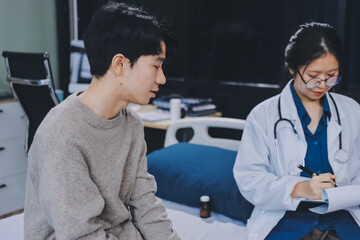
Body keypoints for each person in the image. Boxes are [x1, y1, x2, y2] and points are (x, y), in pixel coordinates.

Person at [24, 2, 179, 240]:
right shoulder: (64, 133)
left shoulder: (132, 124)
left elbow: (145, 203)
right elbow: (80, 235)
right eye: (156, 66)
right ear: (120, 64)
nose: (162, 78)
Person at [233, 22, 360, 240]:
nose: (322, 84)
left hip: (344, 218)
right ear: (293, 68)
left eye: (331, 76)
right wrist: (300, 188)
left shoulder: (352, 110)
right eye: (313, 76)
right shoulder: (263, 115)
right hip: (286, 221)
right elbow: (250, 179)